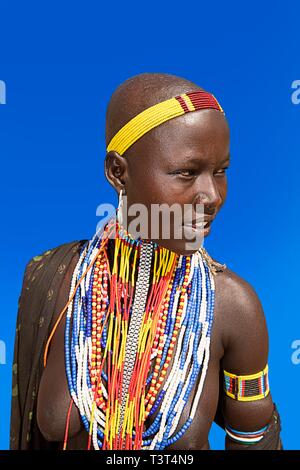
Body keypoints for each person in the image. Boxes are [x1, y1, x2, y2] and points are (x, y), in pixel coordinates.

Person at [10, 72, 283, 450]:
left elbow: (255, 439)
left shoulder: (234, 307)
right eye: (187, 172)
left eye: (220, 172)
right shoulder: (52, 278)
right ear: (117, 173)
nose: (212, 195)